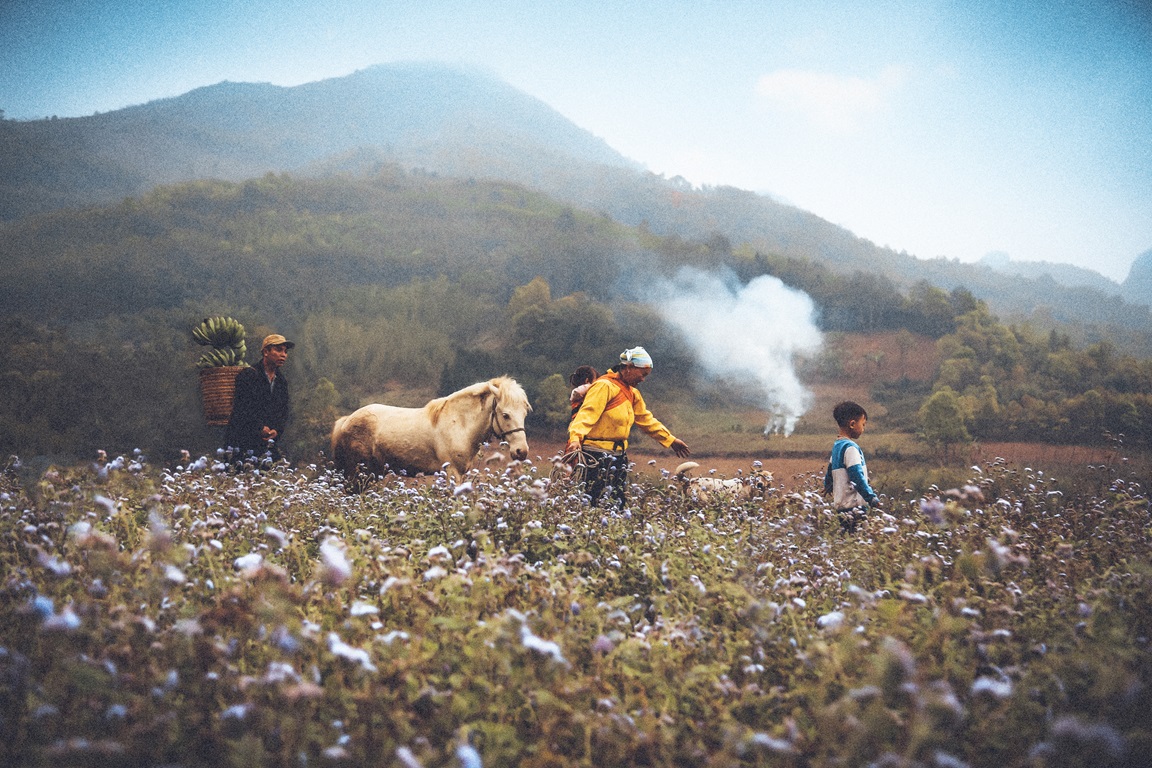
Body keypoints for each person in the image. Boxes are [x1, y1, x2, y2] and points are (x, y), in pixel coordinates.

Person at [565, 346, 690, 506]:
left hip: (618, 456)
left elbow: (646, 419)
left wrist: (670, 440)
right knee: (594, 502)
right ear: (629, 368)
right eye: (642, 374)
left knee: (617, 503)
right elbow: (587, 414)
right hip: (596, 456)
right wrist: (575, 438)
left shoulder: (632, 393)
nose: (643, 379)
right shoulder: (604, 386)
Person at [224, 333, 294, 464]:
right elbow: (242, 409)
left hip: (266, 444)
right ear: (266, 352)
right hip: (242, 442)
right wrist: (259, 428)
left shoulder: (281, 382)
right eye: (279, 350)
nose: (284, 355)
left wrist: (276, 430)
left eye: (285, 351)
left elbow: (283, 411)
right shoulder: (248, 375)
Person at [823, 400, 881, 532]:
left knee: (845, 541)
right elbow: (856, 476)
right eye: (863, 424)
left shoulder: (837, 447)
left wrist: (827, 484)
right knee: (859, 542)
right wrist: (871, 498)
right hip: (855, 507)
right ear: (852, 424)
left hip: (841, 507)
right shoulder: (851, 448)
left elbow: (830, 470)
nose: (863, 429)